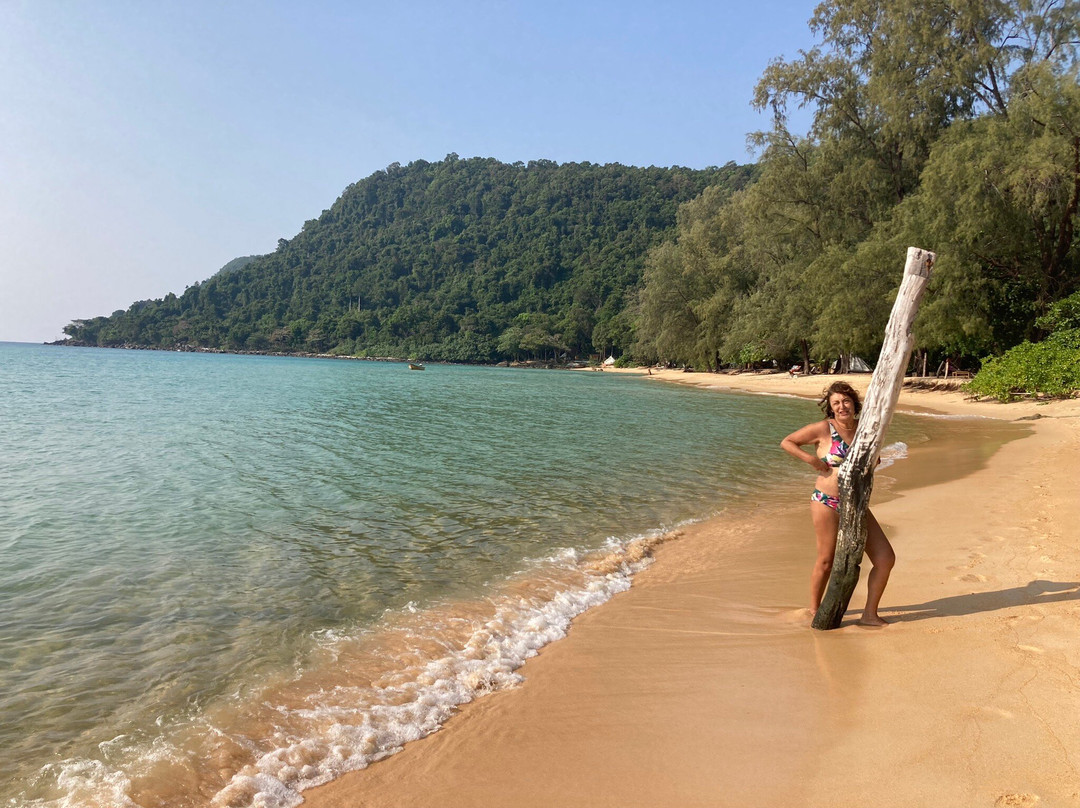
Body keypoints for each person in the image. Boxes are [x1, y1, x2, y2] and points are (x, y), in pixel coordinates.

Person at [780, 381, 895, 626]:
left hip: (857, 504)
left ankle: (869, 615)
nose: (842, 406)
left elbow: (874, 459)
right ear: (830, 408)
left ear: (854, 403)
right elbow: (787, 442)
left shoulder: (865, 429)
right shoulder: (823, 428)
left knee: (885, 558)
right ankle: (814, 610)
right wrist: (812, 460)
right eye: (836, 403)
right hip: (826, 501)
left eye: (846, 401)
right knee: (826, 560)